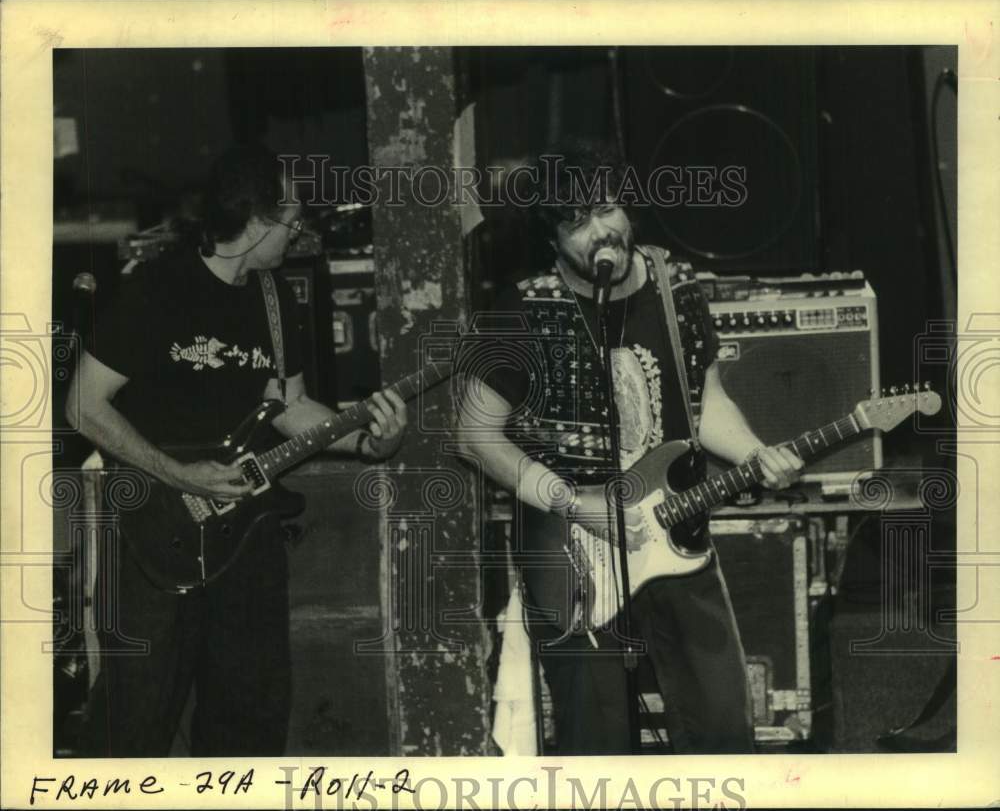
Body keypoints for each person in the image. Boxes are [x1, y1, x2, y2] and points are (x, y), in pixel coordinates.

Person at [456, 143, 803, 755]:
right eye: (576, 222)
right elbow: (474, 433)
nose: (600, 232)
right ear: (552, 237)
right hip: (571, 550)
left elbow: (706, 403)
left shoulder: (676, 287)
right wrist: (566, 499)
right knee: (599, 741)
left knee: (724, 728)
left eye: (607, 209)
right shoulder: (524, 309)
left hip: (675, 533)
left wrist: (755, 451)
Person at [66, 143, 408, 757]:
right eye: (293, 217)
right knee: (134, 719)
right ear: (258, 221)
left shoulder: (275, 300)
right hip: (155, 527)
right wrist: (181, 474)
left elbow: (290, 405)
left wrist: (368, 440)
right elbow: (83, 405)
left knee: (250, 716)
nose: (298, 231)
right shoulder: (156, 288)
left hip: (246, 534)